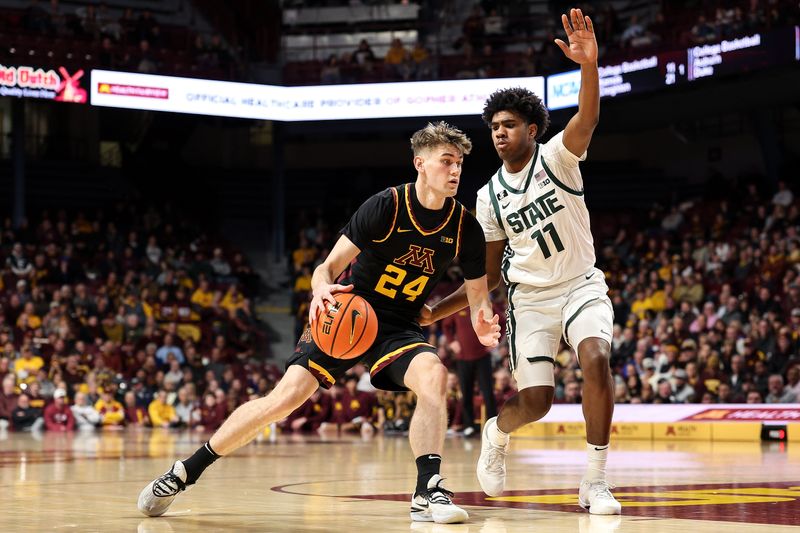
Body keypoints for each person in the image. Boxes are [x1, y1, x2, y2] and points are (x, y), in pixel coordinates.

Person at [138, 121, 501, 524]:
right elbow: (326, 269)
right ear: (420, 163)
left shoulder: (465, 226)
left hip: (397, 325)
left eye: (460, 164)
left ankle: (427, 490)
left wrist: (479, 317)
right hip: (349, 313)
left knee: (434, 374)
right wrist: (320, 290)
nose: (454, 171)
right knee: (283, 401)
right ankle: (185, 470)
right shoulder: (386, 206)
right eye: (446, 161)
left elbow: (477, 293)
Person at [423, 8, 620, 515]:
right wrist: (435, 313)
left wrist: (590, 67)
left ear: (532, 129)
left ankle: (595, 481)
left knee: (596, 360)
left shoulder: (558, 157)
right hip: (530, 298)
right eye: (493, 126)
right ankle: (495, 432)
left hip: (581, 285)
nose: (499, 133)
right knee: (536, 402)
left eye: (509, 125)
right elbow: (483, 275)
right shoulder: (487, 197)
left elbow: (589, 117)